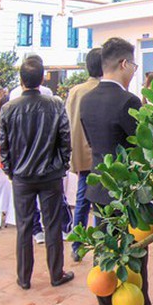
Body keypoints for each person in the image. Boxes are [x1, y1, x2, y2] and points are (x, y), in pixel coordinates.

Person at [80, 37, 153, 305]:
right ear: (123, 64)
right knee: (135, 252)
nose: (133, 71)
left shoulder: (87, 98)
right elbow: (143, 148)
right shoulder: (128, 101)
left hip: (99, 186)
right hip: (128, 193)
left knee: (104, 248)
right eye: (132, 65)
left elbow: (94, 144)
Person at [0, 56, 74, 289]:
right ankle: (55, 274)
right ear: (42, 79)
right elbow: (65, 139)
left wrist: (11, 171)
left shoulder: (9, 109)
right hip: (49, 175)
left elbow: (4, 147)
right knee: (52, 225)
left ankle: (24, 278)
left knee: (24, 227)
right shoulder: (54, 104)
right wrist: (62, 165)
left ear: (21, 80)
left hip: (23, 176)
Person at [65, 47, 102, 262]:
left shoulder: (75, 91)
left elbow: (70, 123)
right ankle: (99, 247)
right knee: (100, 205)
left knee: (82, 201)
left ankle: (77, 246)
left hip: (81, 157)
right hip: (99, 156)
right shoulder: (102, 89)